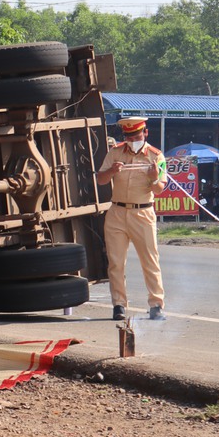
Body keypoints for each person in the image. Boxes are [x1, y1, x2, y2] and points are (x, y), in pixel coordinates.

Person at [95, 116, 167, 321]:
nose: (132, 140)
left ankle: (156, 305)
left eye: (136, 136)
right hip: (117, 212)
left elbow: (159, 189)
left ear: (145, 133)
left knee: (150, 261)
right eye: (128, 136)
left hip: (143, 213)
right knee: (116, 262)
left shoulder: (156, 156)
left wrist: (153, 177)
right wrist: (111, 171)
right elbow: (101, 180)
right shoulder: (115, 152)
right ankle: (119, 305)